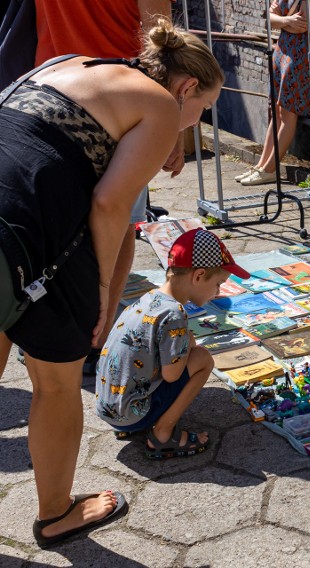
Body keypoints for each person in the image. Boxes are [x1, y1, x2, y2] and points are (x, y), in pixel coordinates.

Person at [0, 20, 223, 547]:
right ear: (187, 88)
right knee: (56, 384)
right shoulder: (163, 105)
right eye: (202, 111)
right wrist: (102, 292)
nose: (194, 124)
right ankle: (55, 513)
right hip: (23, 233)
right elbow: (109, 208)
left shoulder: (74, 62)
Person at [33, 0, 185, 374]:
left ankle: (42, 331)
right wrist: (173, 121)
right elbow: (164, 45)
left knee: (57, 225)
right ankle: (94, 339)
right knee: (118, 225)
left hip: (52, 88)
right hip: (121, 102)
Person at [95, 228, 248, 458]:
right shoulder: (174, 314)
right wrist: (188, 346)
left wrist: (185, 341)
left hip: (109, 409)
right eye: (218, 283)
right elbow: (172, 375)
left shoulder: (148, 299)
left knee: (191, 350)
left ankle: (139, 424)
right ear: (198, 276)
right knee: (203, 359)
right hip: (131, 415)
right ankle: (163, 435)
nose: (218, 292)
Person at [236, 0, 310, 185]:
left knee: (288, 111)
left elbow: (301, 25)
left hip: (302, 52)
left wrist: (281, 20)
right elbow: (268, 21)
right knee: (276, 109)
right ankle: (261, 166)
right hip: (283, 47)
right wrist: (286, 21)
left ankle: (269, 169)